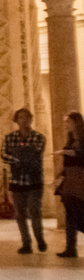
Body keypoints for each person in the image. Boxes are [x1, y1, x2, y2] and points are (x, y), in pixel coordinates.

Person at [2, 108, 48, 254]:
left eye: (26, 117)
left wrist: (17, 156)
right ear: (16, 120)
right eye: (20, 117)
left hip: (34, 179)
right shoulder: (9, 138)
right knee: (20, 214)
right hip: (17, 180)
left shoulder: (39, 137)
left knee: (35, 211)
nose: (24, 120)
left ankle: (39, 239)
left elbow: (36, 153)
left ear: (31, 119)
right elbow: (4, 155)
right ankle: (26, 242)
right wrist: (21, 157)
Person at [57, 111, 84, 258]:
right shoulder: (70, 138)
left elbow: (80, 155)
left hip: (80, 178)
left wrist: (68, 152)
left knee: (78, 212)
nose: (66, 124)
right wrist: (61, 174)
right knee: (70, 213)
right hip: (70, 179)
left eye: (68, 121)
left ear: (76, 122)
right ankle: (70, 248)